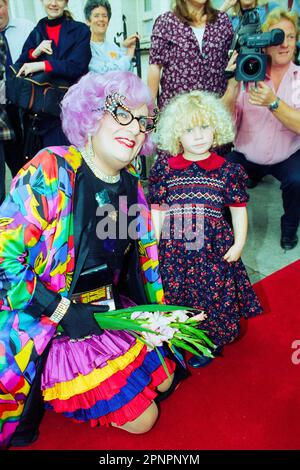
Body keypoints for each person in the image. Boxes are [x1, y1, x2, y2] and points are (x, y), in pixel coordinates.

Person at [0, 70, 184, 449]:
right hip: (44, 320)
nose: (134, 130)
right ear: (90, 115)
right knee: (145, 420)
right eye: (121, 114)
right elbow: (4, 260)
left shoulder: (131, 184)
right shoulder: (51, 169)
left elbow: (136, 260)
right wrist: (61, 312)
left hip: (105, 311)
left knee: (166, 379)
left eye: (143, 122)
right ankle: (57, 389)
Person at [147, 90, 262, 368]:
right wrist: (154, 242)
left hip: (213, 253)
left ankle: (210, 342)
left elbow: (238, 210)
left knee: (212, 297)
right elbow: (158, 208)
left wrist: (239, 244)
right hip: (175, 251)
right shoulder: (166, 168)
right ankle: (185, 336)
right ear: (177, 134)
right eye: (189, 129)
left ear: (216, 127)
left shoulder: (227, 171)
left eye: (204, 126)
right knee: (179, 295)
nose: (198, 135)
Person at [223, 8, 300, 250]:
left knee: (298, 180)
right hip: (247, 155)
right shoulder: (248, 69)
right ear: (265, 42)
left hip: (286, 155)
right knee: (222, 175)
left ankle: (289, 230)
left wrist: (273, 103)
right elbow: (223, 124)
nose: (284, 44)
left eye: (291, 37)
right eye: (278, 37)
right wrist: (233, 83)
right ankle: (227, 233)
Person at [15, 0, 91, 161]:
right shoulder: (37, 31)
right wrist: (35, 52)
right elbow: (19, 68)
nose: (54, 3)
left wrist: (42, 64)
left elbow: (77, 66)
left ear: (66, 2)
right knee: (47, 171)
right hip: (41, 116)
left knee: (72, 166)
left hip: (70, 111)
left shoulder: (80, 30)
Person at [148, 0, 233, 111]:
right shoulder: (166, 22)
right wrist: (149, 109)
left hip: (214, 110)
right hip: (177, 112)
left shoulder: (222, 20)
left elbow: (231, 58)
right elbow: (154, 67)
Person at [0, 0, 34, 178]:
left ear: (6, 4)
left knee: (28, 165)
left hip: (25, 107)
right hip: (2, 111)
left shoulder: (26, 28)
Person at [84, 0, 138, 74]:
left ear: (108, 21)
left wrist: (124, 48)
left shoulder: (114, 48)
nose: (101, 19)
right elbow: (103, 71)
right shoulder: (85, 48)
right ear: (88, 21)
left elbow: (128, 74)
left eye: (104, 16)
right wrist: (127, 58)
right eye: (96, 16)